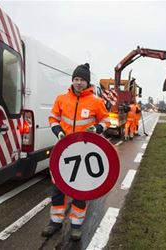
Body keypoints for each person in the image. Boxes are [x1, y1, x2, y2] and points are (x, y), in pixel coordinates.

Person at [42, 63, 110, 241]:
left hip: (84, 152)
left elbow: (106, 120)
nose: (78, 82)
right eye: (76, 79)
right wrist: (58, 131)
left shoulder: (96, 101)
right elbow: (53, 118)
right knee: (58, 188)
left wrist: (97, 128)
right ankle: (55, 223)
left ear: (87, 83)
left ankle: (76, 226)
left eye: (82, 80)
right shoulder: (61, 99)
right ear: (72, 80)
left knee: (80, 192)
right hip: (63, 152)